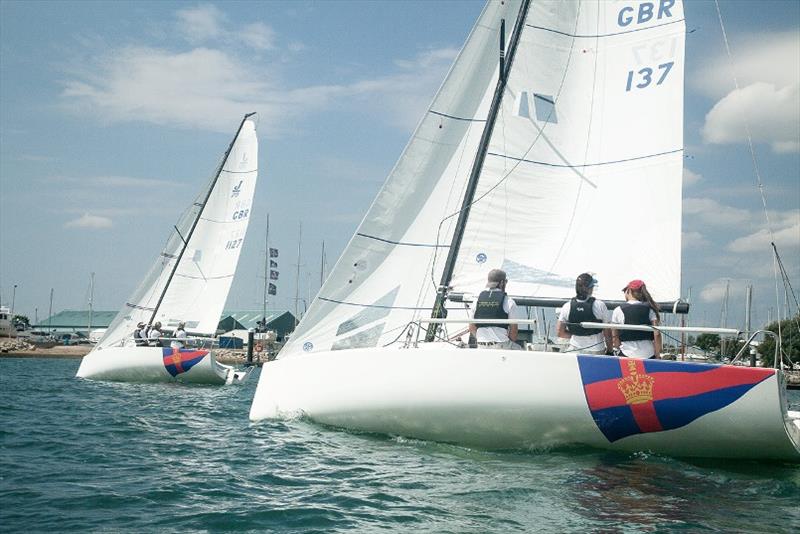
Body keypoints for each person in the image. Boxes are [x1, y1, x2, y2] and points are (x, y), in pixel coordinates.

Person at [556, 273, 612, 355]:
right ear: (589, 289)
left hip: (574, 348)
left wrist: (577, 335)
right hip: (596, 349)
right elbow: (608, 333)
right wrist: (610, 350)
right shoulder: (600, 305)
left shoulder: (567, 306)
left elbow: (559, 332)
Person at [469, 269, 522, 350]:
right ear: (502, 283)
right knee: (523, 351)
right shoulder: (509, 302)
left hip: (480, 345)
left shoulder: (476, 301)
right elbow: (513, 333)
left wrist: (481, 339)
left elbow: (471, 327)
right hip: (501, 345)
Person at [611, 279, 662, 359]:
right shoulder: (650, 309)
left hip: (627, 353)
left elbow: (615, 336)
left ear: (629, 291)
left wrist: (617, 348)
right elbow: (657, 334)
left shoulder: (618, 310)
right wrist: (657, 353)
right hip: (648, 354)